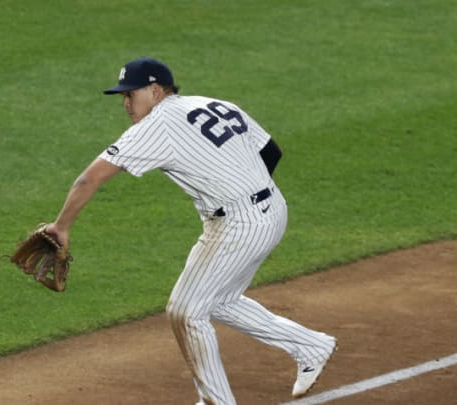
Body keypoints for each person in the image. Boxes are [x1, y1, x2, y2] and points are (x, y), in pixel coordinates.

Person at [44, 57, 336, 404]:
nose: (125, 104)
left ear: (154, 91)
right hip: (272, 209)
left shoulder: (158, 124)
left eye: (130, 95)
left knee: (185, 310)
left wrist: (61, 226)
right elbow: (270, 152)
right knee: (218, 301)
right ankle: (310, 346)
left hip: (239, 224)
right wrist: (246, 190)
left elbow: (88, 178)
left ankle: (216, 401)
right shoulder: (212, 103)